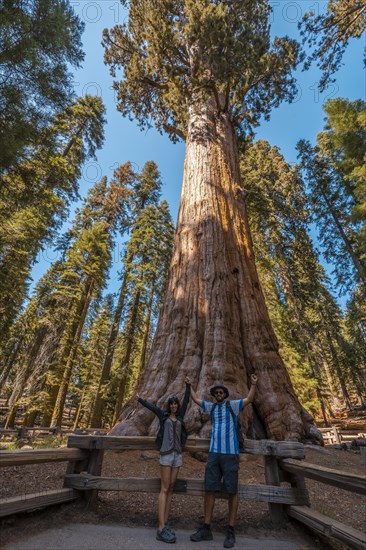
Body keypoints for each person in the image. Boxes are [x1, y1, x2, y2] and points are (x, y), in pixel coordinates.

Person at [186, 373, 258, 549]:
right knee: (209, 488)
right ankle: (206, 527)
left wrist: (253, 384)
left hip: (230, 454)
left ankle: (231, 530)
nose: (218, 394)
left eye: (221, 393)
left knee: (232, 491)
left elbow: (248, 399)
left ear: (225, 395)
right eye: (216, 392)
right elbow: (195, 400)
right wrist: (189, 385)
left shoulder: (232, 406)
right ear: (214, 395)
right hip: (214, 454)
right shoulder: (211, 408)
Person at [137, 380, 191, 544]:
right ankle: (160, 528)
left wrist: (188, 387)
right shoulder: (164, 416)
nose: (174, 406)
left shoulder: (180, 416)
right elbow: (152, 408)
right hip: (166, 455)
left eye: (176, 404)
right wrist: (140, 399)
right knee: (165, 488)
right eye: (172, 404)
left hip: (177, 456)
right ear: (169, 406)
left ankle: (165, 522)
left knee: (172, 488)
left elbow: (187, 401)